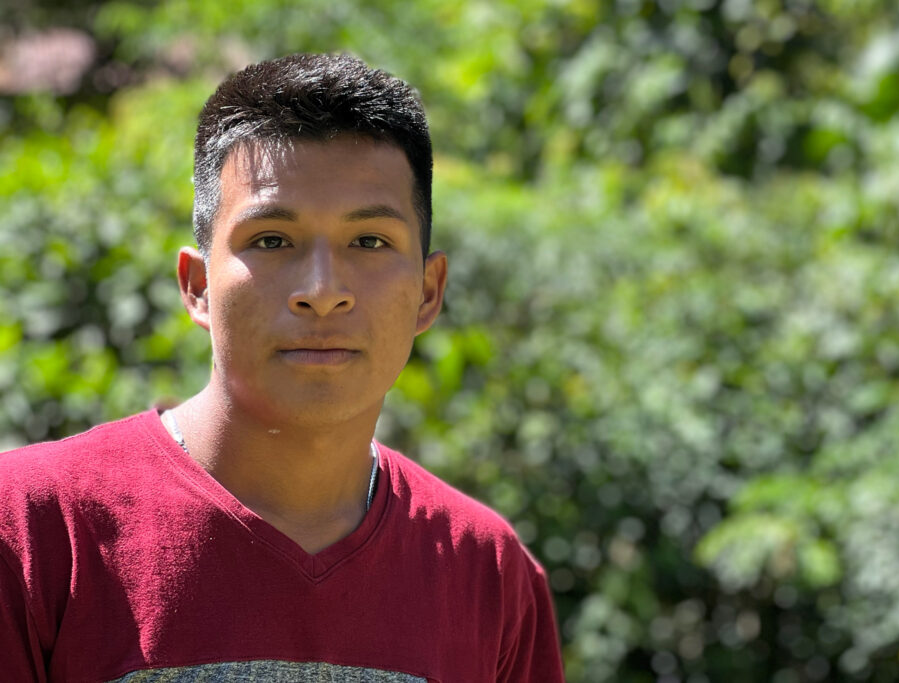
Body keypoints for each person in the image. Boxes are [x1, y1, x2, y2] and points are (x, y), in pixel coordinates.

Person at [0, 53, 564, 682]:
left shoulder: (487, 569)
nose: (323, 290)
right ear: (197, 286)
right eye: (271, 240)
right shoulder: (29, 530)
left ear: (428, 292)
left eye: (370, 242)